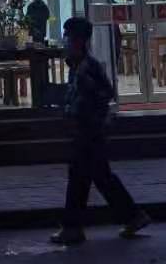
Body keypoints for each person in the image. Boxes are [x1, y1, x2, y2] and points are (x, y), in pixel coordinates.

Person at [51, 16, 150, 245]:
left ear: (78, 40)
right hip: (84, 129)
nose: (64, 41)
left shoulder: (88, 67)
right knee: (98, 177)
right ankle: (132, 216)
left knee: (80, 178)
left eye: (67, 36)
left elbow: (105, 93)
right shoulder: (77, 65)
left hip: (89, 130)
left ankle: (73, 228)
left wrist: (89, 112)